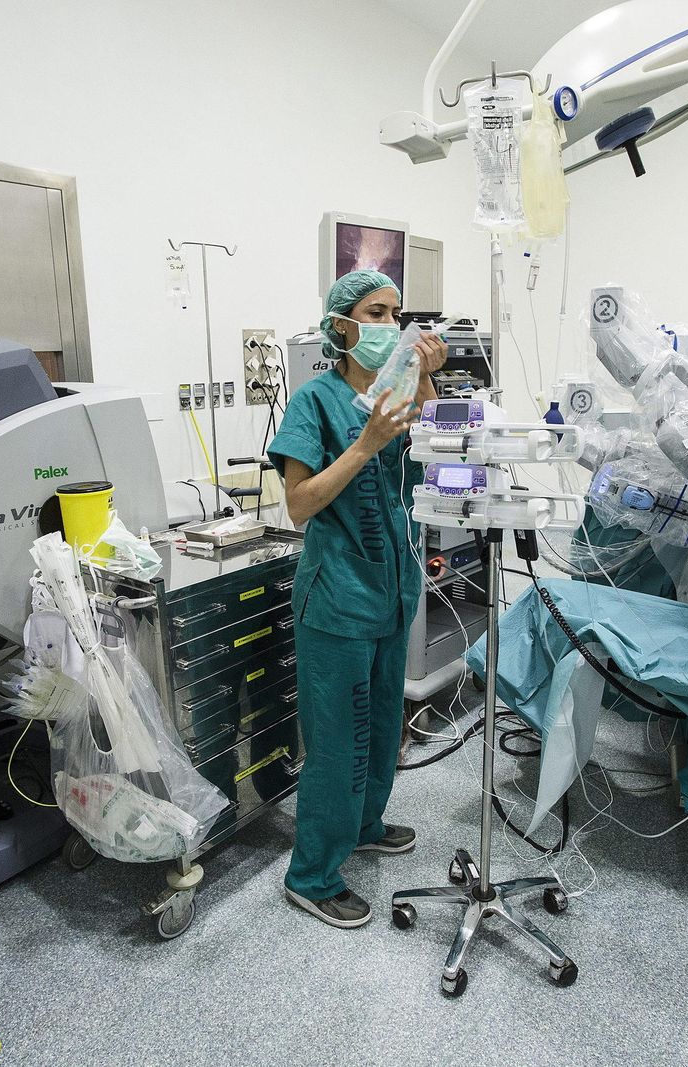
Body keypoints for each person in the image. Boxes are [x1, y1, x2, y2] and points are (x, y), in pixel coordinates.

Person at [267, 270, 448, 927]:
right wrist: (366, 443)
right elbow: (298, 504)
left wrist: (425, 378)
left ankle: (365, 822)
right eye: (376, 312)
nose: (390, 326)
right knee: (338, 742)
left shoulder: (395, 394)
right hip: (338, 600)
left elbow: (429, 456)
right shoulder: (313, 402)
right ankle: (311, 874)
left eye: (396, 314)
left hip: (392, 591)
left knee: (380, 730)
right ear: (341, 326)